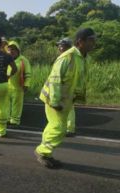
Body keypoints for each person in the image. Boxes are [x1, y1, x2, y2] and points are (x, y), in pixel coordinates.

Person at [35, 28, 96, 168]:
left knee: (54, 126)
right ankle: (42, 151)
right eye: (91, 40)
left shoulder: (83, 57)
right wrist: (55, 102)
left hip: (66, 98)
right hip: (54, 98)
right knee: (59, 128)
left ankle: (47, 153)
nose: (94, 43)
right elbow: (55, 79)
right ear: (80, 42)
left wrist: (76, 97)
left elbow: (78, 79)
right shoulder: (67, 57)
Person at [7, 41, 32, 127]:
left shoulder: (23, 60)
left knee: (17, 105)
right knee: (6, 104)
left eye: (13, 49)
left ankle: (14, 121)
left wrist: (26, 84)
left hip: (18, 87)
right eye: (9, 49)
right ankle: (6, 119)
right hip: (6, 86)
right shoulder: (6, 59)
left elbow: (28, 74)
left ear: (18, 50)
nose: (11, 51)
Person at [57, 38, 77, 137]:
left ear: (68, 47)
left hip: (68, 87)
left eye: (62, 46)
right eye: (59, 46)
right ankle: (64, 127)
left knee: (69, 108)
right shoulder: (64, 57)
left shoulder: (71, 58)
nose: (59, 48)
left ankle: (69, 129)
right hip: (62, 87)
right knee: (62, 108)